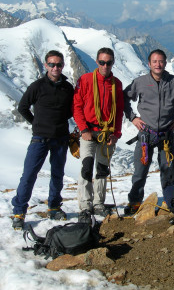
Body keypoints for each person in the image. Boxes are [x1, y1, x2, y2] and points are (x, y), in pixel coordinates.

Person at [123, 49, 174, 214]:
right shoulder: (140, 82)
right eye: (155, 61)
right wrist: (132, 117)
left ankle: (171, 200)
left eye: (160, 61)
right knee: (140, 171)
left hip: (166, 134)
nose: (158, 64)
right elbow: (124, 97)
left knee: (168, 170)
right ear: (149, 64)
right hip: (146, 134)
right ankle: (135, 202)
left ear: (165, 63)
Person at [11, 50, 74, 230]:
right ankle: (19, 212)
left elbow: (71, 109)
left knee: (57, 174)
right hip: (40, 138)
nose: (55, 68)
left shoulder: (67, 88)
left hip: (61, 138)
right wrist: (36, 123)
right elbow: (22, 107)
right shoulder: (37, 86)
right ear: (46, 65)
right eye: (52, 64)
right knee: (29, 174)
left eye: (59, 64)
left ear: (62, 66)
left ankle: (54, 206)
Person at [73, 47, 124, 223]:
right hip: (89, 131)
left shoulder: (116, 84)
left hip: (107, 133)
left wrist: (116, 134)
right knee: (86, 167)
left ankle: (98, 203)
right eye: (102, 62)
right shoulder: (85, 80)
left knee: (102, 169)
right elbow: (77, 106)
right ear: (97, 62)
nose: (105, 65)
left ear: (113, 63)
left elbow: (118, 112)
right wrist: (83, 129)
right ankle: (85, 205)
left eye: (108, 62)